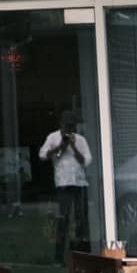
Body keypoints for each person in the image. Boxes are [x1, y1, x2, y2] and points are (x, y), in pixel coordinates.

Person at [39, 110, 92, 258]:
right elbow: (42, 155)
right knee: (63, 219)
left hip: (79, 183)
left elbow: (86, 161)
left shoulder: (80, 140)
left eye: (72, 126)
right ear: (61, 124)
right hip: (63, 183)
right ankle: (59, 256)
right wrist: (60, 146)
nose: (69, 129)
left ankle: (80, 255)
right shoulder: (53, 137)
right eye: (67, 126)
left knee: (81, 219)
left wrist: (73, 147)